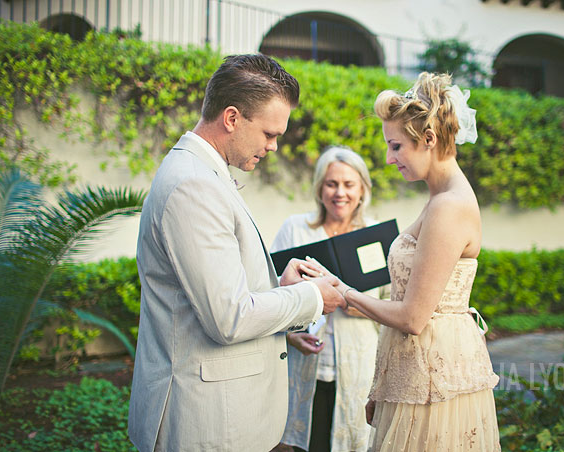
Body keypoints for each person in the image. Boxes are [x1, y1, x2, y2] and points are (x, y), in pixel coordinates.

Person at [127, 54, 345, 452]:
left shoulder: (202, 173)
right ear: (231, 118)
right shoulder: (193, 185)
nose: (274, 146)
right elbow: (227, 318)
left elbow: (215, 292)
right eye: (268, 133)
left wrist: (278, 286)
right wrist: (312, 298)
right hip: (205, 420)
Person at [300, 73, 501, 451]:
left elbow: (411, 318)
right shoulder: (440, 199)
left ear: (428, 139)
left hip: (434, 378)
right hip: (414, 372)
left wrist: (343, 292)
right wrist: (385, 384)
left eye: (395, 146)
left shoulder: (449, 207)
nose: (389, 159)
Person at [271, 147, 386, 452]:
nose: (340, 193)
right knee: (306, 440)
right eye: (331, 183)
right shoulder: (295, 229)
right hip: (305, 363)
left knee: (351, 440)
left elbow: (392, 305)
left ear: (362, 189)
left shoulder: (375, 236)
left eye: (349, 184)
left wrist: (347, 301)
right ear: (320, 188)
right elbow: (269, 294)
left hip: (359, 366)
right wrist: (291, 336)